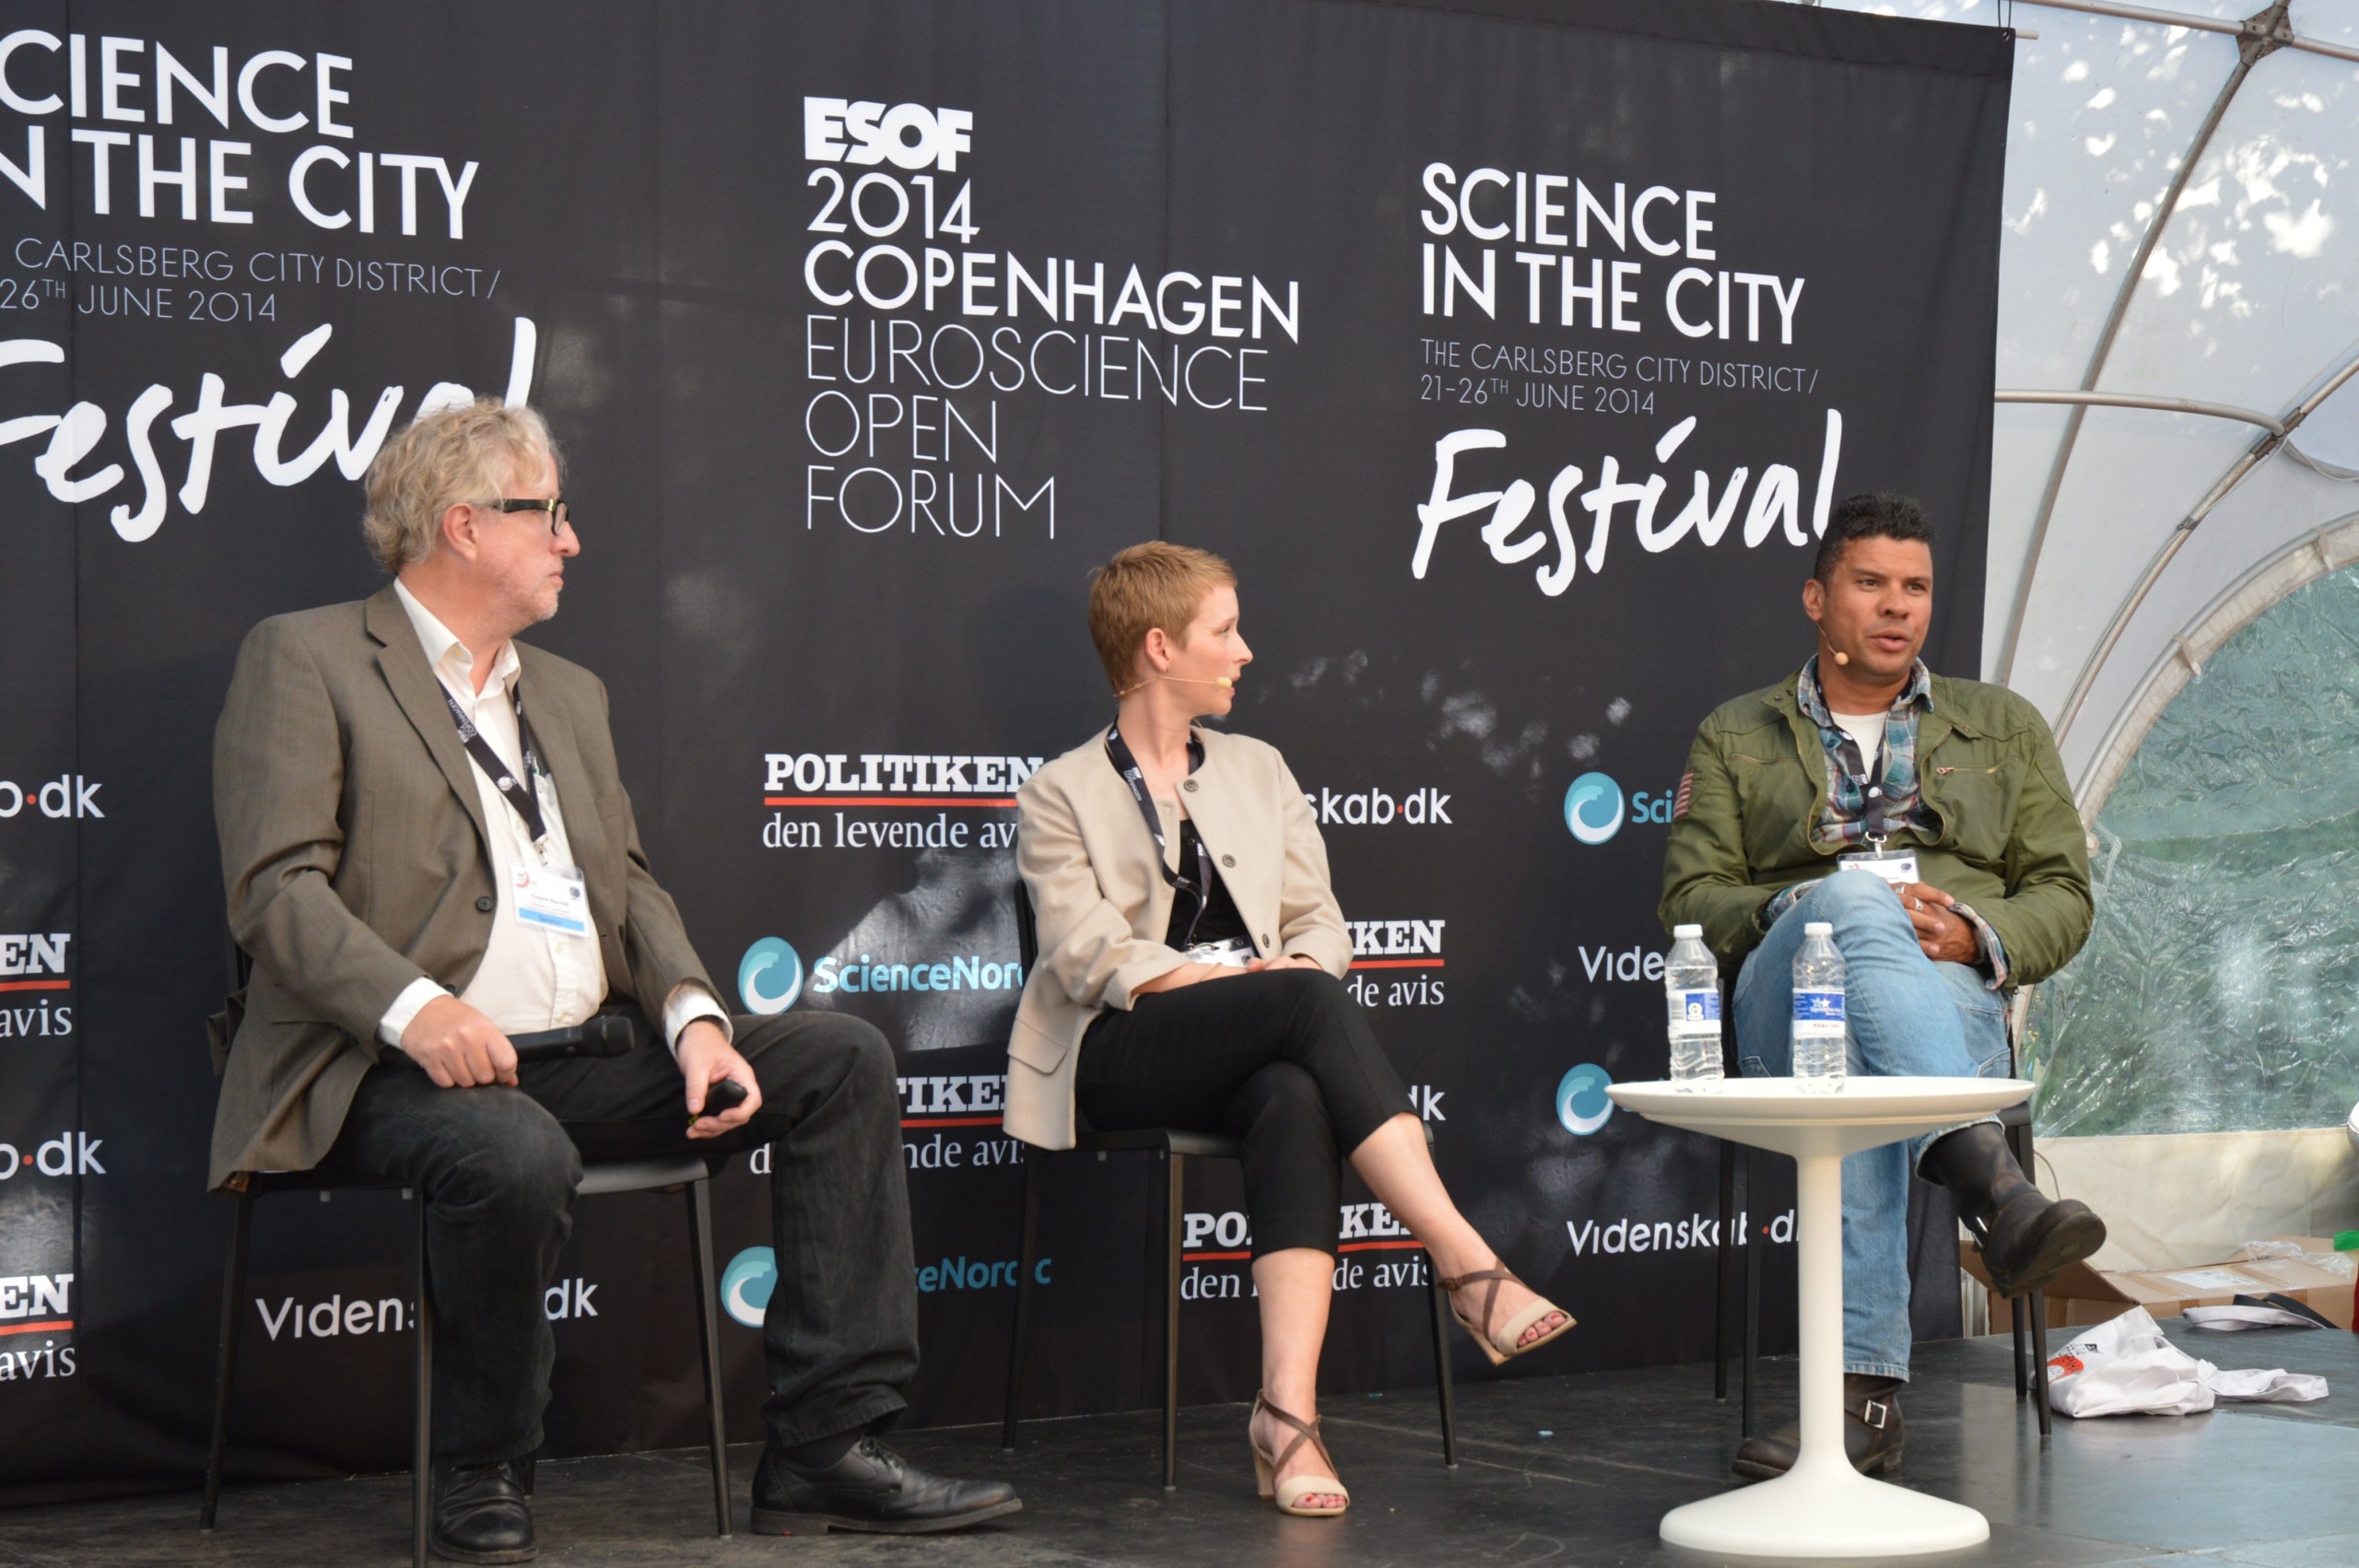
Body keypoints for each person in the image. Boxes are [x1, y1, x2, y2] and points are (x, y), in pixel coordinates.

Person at [207, 400, 1016, 1560]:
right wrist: (417, 1007)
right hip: (374, 1066)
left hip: (573, 1060)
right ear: (465, 526)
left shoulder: (568, 695)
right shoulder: (309, 655)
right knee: (511, 1148)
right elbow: (275, 890)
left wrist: (692, 1018)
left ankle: (825, 1446)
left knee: (839, 1059)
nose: (572, 541)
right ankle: (486, 1464)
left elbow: (625, 885)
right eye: (549, 515)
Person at [1004, 542, 1573, 1519]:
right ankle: (1465, 1263)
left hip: (1257, 1042)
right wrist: (1245, 981)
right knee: (1299, 1004)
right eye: (1223, 630)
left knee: (1294, 1089)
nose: (1246, 650)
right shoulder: (1060, 789)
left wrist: (1287, 973)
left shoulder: (1260, 769)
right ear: (1155, 648)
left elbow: (1320, 923)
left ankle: (1287, 1417)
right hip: (1122, 1051)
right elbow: (1084, 954)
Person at [1660, 490, 2105, 1480]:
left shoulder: (2002, 725)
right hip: (1783, 1000)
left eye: (1915, 588)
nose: (1895, 606)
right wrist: (1815, 907)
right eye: (1870, 583)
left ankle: (1862, 1401)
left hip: (1947, 1001)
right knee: (1849, 906)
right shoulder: (1735, 734)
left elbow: (2065, 895)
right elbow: (1689, 897)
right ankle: (1985, 1174)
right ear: (1817, 598)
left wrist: (1970, 929)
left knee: (1859, 1058)